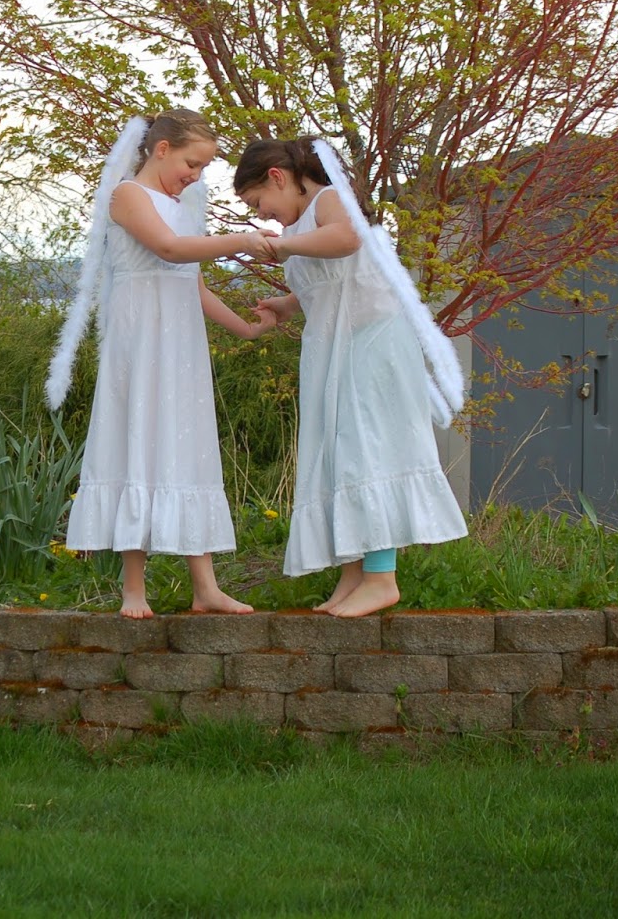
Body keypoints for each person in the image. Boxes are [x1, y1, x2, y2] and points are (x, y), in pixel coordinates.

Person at [46, 110, 276, 618]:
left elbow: (193, 284)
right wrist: (243, 241)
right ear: (162, 149)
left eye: (203, 168)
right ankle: (133, 588)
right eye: (192, 164)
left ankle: (205, 588)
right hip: (140, 340)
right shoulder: (128, 195)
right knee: (137, 441)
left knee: (186, 445)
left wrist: (246, 328)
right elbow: (170, 250)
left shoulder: (183, 208)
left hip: (181, 345)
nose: (196, 175)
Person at [233, 137, 468, 617]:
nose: (263, 215)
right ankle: (354, 572)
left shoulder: (328, 200)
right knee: (341, 454)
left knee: (368, 449)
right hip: (337, 349)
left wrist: (282, 246)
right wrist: (286, 304)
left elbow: (348, 240)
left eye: (258, 202)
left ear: (277, 177)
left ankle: (381, 577)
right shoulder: (300, 223)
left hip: (372, 344)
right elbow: (331, 278)